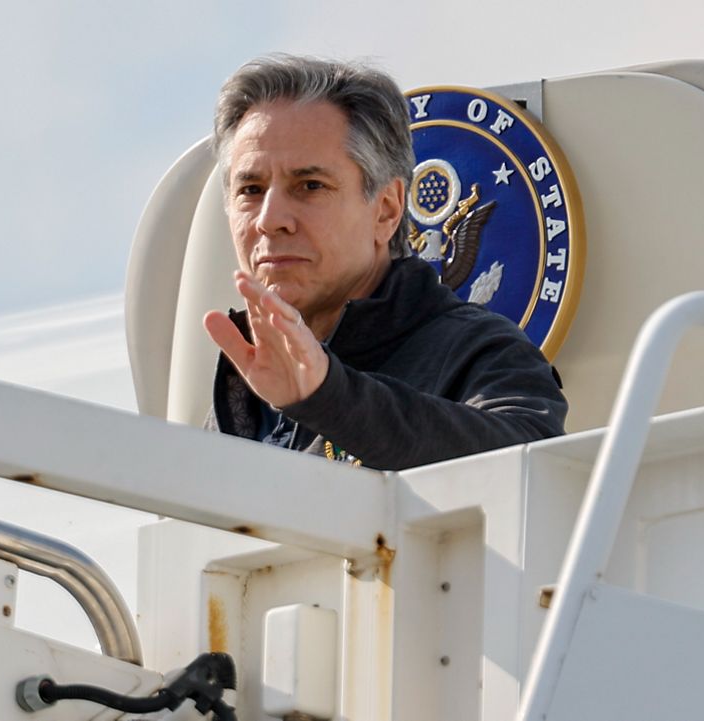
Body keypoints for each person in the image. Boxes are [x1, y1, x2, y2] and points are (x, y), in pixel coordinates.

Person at [203, 54, 567, 471]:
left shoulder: (477, 351)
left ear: (387, 209)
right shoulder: (238, 389)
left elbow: (538, 468)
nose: (270, 220)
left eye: (309, 185)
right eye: (250, 189)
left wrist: (329, 396)